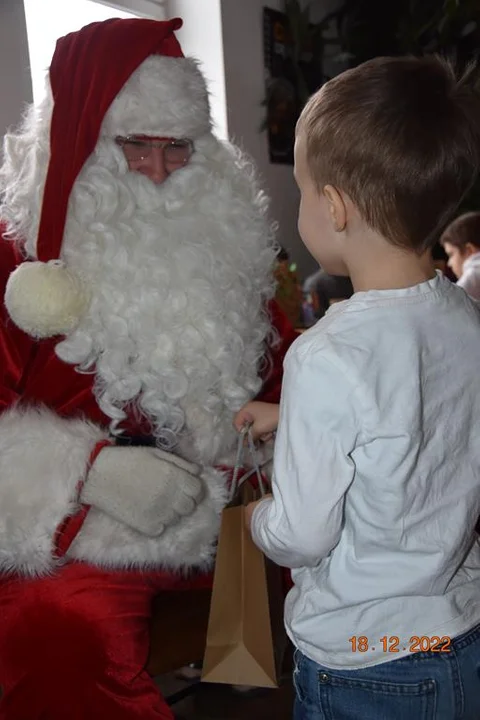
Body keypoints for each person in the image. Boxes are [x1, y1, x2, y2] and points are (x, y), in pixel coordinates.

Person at [0, 17, 297, 720]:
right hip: (85, 534)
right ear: (81, 143)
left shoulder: (231, 253)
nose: (161, 172)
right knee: (58, 627)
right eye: (136, 147)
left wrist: (269, 446)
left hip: (237, 521)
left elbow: (286, 385)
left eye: (179, 149)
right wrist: (88, 472)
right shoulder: (13, 262)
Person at [235, 55, 480, 719]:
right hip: (456, 636)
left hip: (365, 658)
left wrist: (258, 521)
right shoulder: (465, 316)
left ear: (335, 208)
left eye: (306, 191)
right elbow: (415, 421)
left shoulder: (327, 355)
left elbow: (305, 535)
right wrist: (293, 418)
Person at [440, 211, 480, 300]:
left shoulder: (473, 273)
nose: (449, 263)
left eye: (451, 254)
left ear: (469, 250)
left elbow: (451, 304)